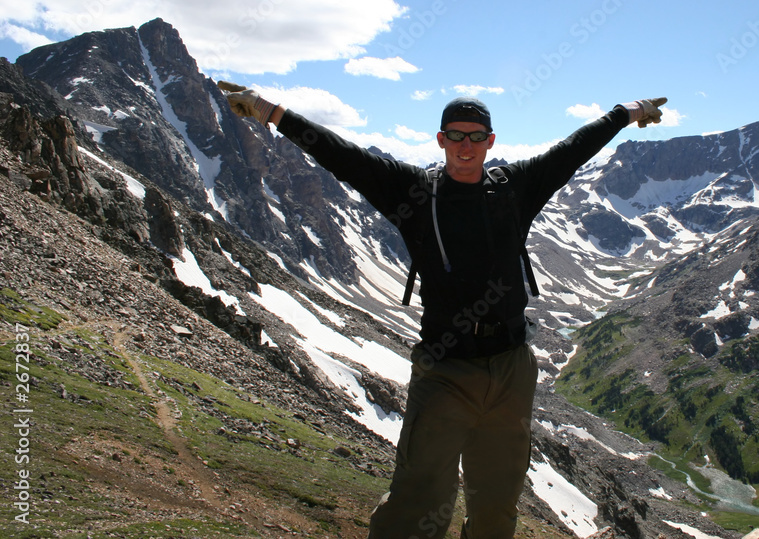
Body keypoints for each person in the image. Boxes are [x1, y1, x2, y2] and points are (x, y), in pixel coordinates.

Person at [221, 81, 667, 539]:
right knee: (417, 499)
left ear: (491, 141)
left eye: (476, 136)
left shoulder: (516, 187)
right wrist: (268, 110)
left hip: (512, 367)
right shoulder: (413, 192)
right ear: (440, 140)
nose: (466, 145)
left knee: (497, 502)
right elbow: (342, 155)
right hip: (444, 370)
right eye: (455, 135)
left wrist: (628, 112)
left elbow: (574, 147)